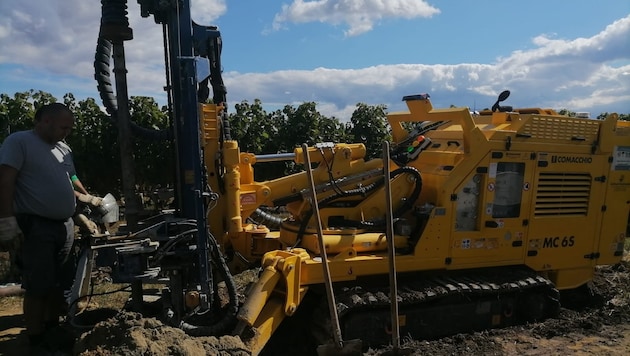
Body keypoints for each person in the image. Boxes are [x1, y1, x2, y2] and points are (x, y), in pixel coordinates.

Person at [0, 103, 80, 353]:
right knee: (39, 284)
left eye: (69, 128)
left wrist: (91, 200)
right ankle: (35, 338)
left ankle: (51, 327)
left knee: (59, 282)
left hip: (64, 225)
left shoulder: (63, 149)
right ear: (44, 121)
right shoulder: (19, 142)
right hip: (35, 225)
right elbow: (5, 180)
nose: (66, 132)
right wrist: (6, 220)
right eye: (63, 127)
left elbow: (73, 179)